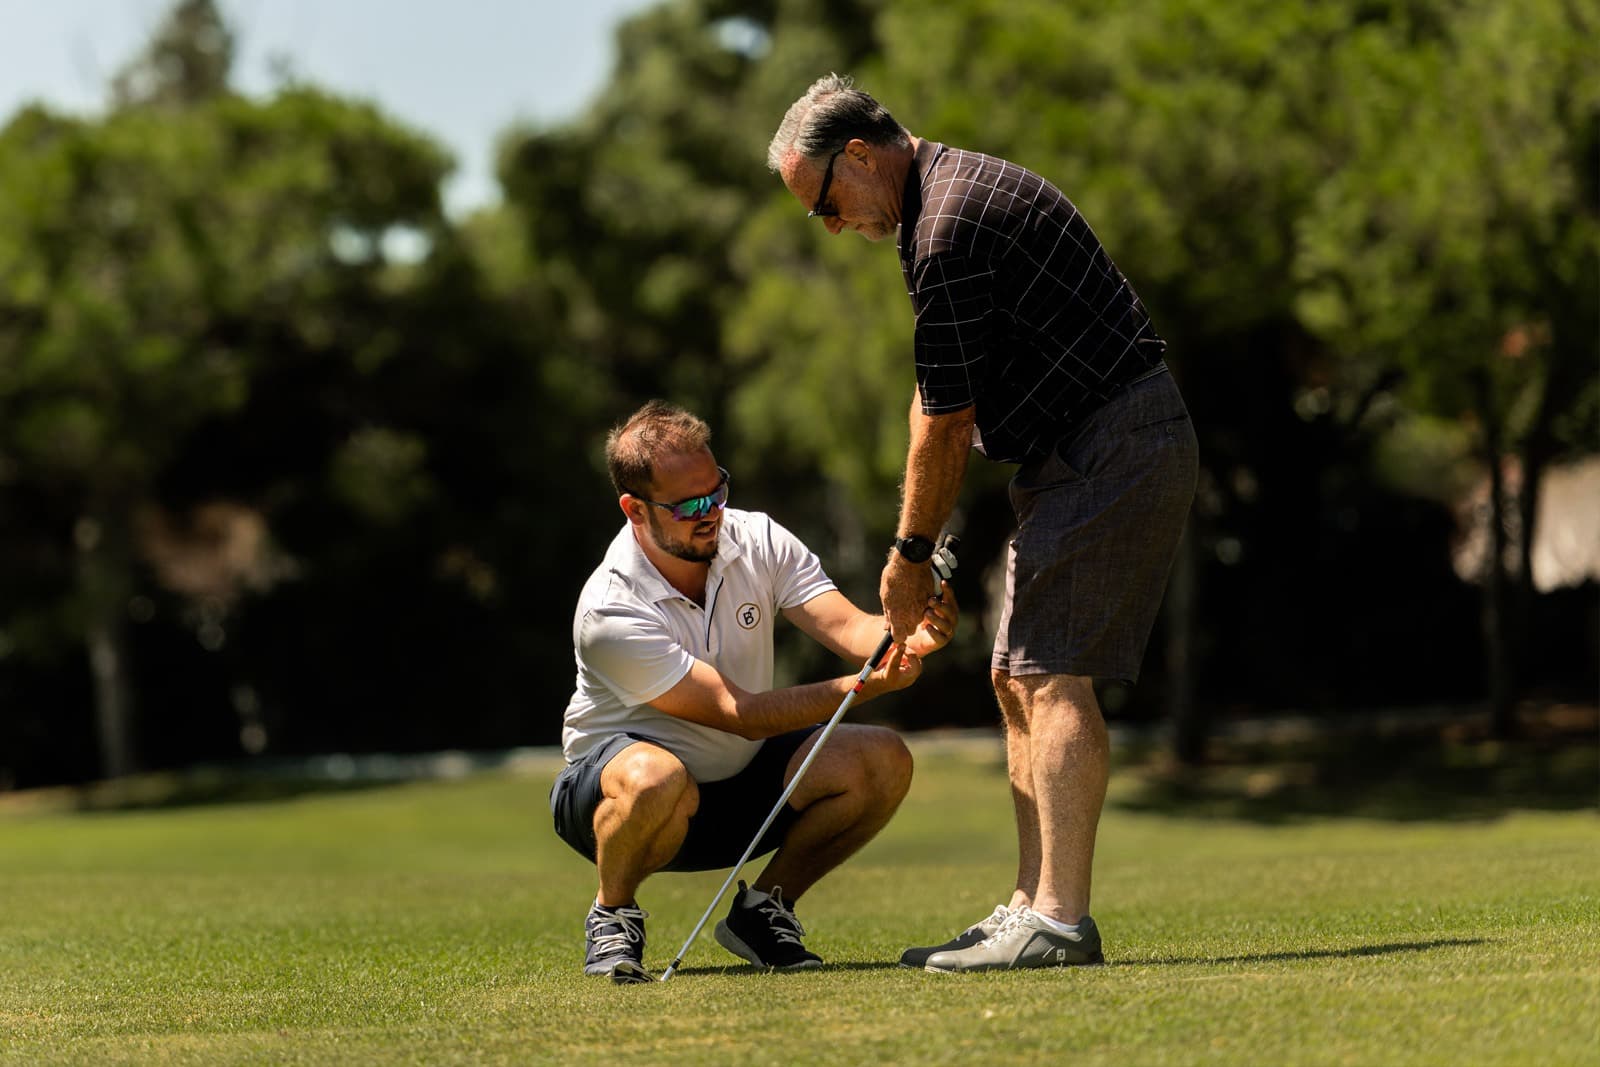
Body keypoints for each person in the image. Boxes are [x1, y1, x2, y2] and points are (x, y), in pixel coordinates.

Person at [768, 75, 1199, 972]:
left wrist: (908, 558)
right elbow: (933, 397)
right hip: (1078, 451)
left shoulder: (949, 225)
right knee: (1013, 676)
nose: (833, 225)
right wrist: (920, 548)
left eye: (824, 205)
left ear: (856, 154)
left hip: (1114, 442)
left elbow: (949, 417)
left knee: (1049, 679)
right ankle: (1029, 906)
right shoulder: (935, 209)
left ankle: (1061, 921)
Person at [550, 400, 959, 982]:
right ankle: (613, 913)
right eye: (688, 504)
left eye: (716, 492)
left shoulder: (758, 538)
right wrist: (866, 683)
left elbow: (851, 629)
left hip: (734, 782)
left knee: (881, 759)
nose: (710, 511)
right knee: (656, 778)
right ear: (634, 509)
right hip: (617, 800)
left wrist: (910, 632)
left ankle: (763, 911)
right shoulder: (609, 608)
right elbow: (737, 712)